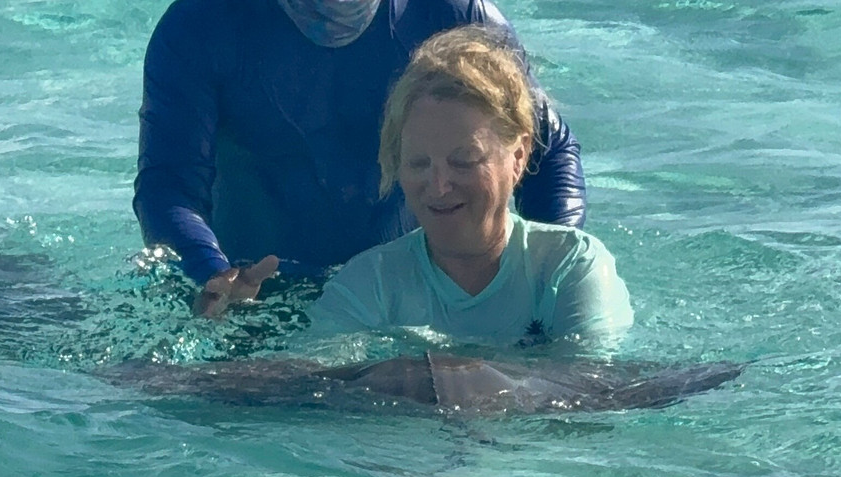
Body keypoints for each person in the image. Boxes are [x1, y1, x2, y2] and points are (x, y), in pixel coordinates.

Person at [132, 0, 587, 311]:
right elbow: (169, 185)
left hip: (412, 297)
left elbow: (545, 149)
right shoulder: (200, 25)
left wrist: (538, 275)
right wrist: (211, 279)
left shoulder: (453, 12)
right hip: (260, 302)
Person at [300, 25, 632, 346]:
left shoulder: (571, 268)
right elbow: (310, 385)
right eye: (419, 164)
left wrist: (427, 381)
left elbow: (593, 388)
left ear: (518, 156)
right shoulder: (367, 285)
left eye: (464, 162)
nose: (439, 186)